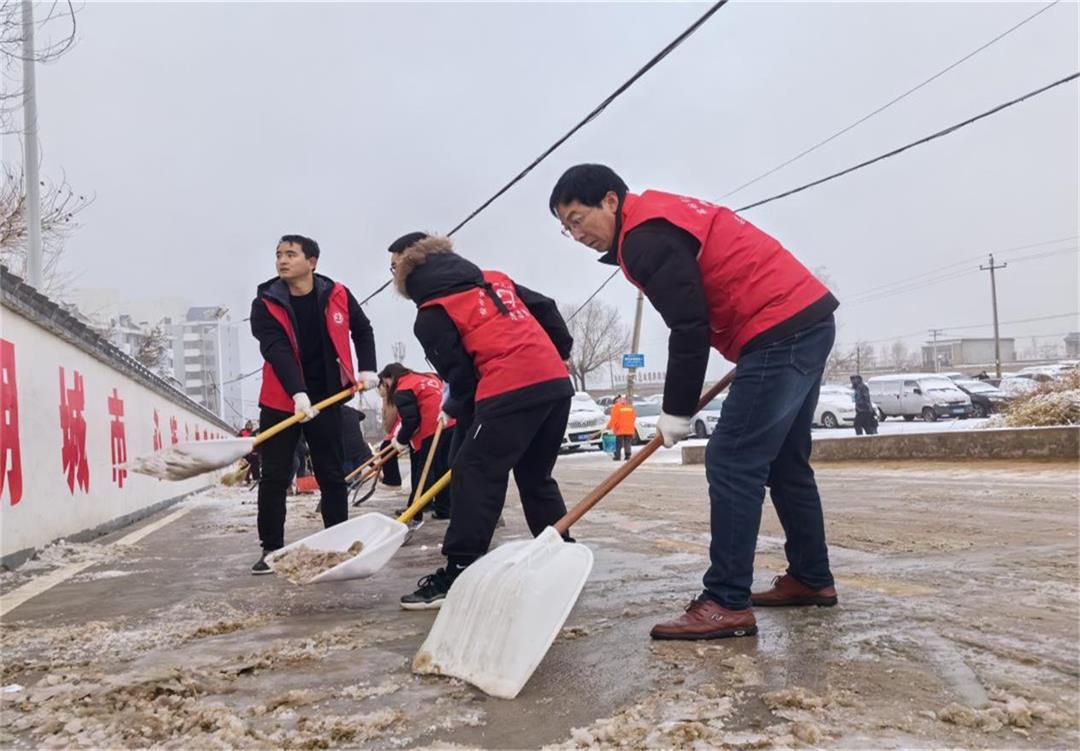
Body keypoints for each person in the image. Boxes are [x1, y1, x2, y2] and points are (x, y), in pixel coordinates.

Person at [550, 164, 839, 639]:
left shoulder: (645, 238)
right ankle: (810, 576)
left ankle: (726, 601)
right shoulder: (656, 220)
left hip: (779, 327)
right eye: (566, 229)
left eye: (578, 219)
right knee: (785, 462)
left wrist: (676, 411)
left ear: (610, 200)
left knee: (731, 458)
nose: (576, 234)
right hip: (802, 318)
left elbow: (689, 325)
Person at [387, 232, 575, 609]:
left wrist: (463, 414)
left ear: (409, 269)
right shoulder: (495, 278)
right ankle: (561, 554)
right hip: (555, 384)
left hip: (509, 388)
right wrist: (556, 355)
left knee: (473, 473)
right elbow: (548, 308)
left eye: (393, 265)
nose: (391, 272)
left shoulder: (431, 313)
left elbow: (463, 378)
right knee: (535, 475)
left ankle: (460, 570)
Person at [248, 234, 378, 575]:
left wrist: (367, 369)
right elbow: (275, 349)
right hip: (281, 399)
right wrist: (297, 394)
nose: (282, 260)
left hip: (327, 396)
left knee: (331, 472)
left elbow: (362, 330)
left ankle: (337, 541)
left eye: (291, 254)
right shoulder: (265, 302)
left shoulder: (337, 294)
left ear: (312, 261)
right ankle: (271, 548)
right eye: (278, 254)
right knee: (275, 475)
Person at [379, 363, 455, 521]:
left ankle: (414, 512)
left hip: (432, 427)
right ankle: (444, 509)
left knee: (424, 472)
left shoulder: (404, 388)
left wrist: (400, 441)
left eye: (386, 383)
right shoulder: (427, 377)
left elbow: (411, 420)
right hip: (450, 421)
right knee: (443, 469)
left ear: (390, 378)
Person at [341, 402, 374, 478]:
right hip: (358, 445)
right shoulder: (352, 411)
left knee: (348, 471)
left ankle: (350, 483)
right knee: (357, 466)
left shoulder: (336, 414)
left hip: (346, 448)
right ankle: (357, 480)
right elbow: (363, 415)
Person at [607, 395, 637, 461]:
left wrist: (609, 426)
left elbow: (614, 419)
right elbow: (634, 417)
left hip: (619, 429)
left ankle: (617, 456)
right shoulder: (630, 407)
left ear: (615, 401)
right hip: (629, 428)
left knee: (618, 443)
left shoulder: (616, 407)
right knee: (627, 443)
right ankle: (627, 456)